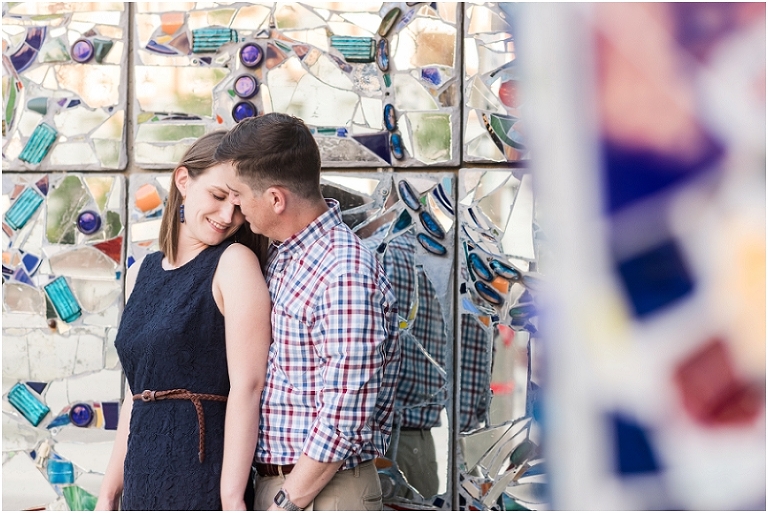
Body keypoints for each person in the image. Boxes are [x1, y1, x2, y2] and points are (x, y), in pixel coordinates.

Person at [215, 112, 401, 511]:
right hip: (287, 489)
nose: (234, 204)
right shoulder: (286, 257)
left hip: (321, 495)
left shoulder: (342, 270)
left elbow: (344, 411)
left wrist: (286, 503)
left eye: (239, 193)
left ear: (276, 199)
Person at [95, 131, 272, 511]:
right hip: (141, 476)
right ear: (183, 180)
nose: (228, 217)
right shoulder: (140, 273)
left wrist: (230, 497)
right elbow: (137, 394)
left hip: (201, 474)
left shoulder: (235, 262)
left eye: (239, 206)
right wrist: (108, 494)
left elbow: (249, 386)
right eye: (219, 196)